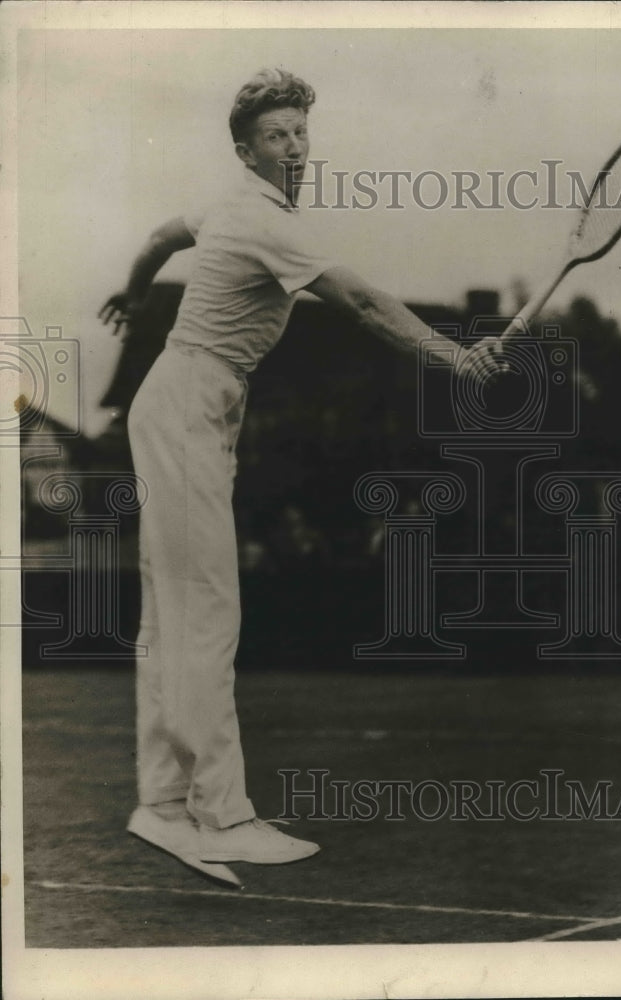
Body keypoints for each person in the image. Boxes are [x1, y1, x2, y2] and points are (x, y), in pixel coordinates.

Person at [100, 68, 503, 883]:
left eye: (300, 132)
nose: (294, 147)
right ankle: (221, 816)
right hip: (186, 406)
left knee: (171, 609)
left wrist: (131, 293)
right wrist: (455, 359)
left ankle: (163, 802)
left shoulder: (223, 208)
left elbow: (158, 238)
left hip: (187, 405)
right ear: (246, 150)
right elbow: (358, 302)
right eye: (277, 136)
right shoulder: (261, 219)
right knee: (206, 609)